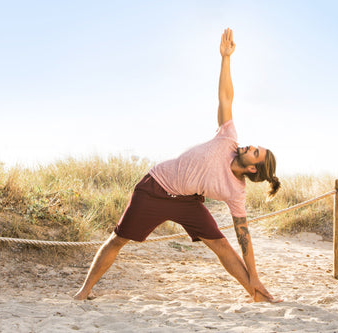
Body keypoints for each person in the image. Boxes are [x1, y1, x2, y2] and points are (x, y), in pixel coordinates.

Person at [74, 28, 282, 303]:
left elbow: (243, 236)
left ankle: (256, 293)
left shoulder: (236, 193)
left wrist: (254, 274)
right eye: (254, 146)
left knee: (222, 246)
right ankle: (83, 292)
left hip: (187, 202)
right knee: (117, 240)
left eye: (255, 152)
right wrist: (226, 58)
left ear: (253, 169)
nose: (249, 146)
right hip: (155, 188)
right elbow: (225, 98)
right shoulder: (229, 139)